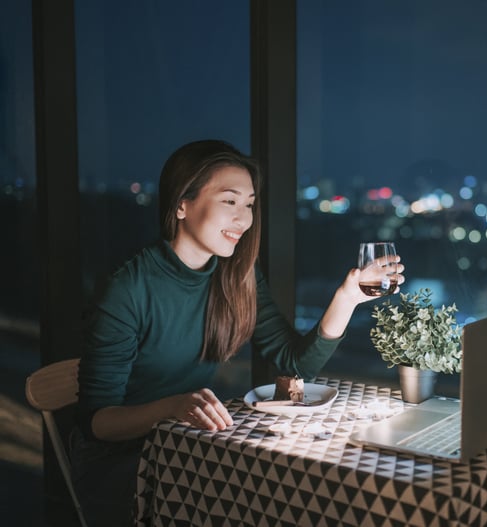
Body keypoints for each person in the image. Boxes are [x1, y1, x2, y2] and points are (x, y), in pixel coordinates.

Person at [71, 139, 405, 526]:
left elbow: (295, 364)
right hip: (122, 464)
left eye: (248, 204)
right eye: (229, 201)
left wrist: (347, 297)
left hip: (189, 444)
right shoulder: (128, 289)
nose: (244, 219)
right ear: (182, 204)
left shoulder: (237, 276)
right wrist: (172, 407)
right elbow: (98, 423)